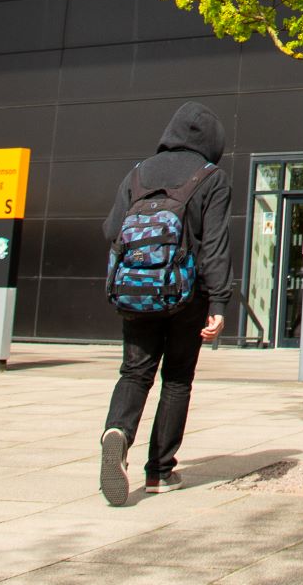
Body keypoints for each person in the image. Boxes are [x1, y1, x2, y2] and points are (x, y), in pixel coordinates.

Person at [100, 100, 234, 505]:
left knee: (135, 372)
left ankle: (118, 433)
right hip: (186, 296)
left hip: (136, 293)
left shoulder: (138, 173)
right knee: (176, 379)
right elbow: (214, 247)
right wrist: (220, 303)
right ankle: (159, 471)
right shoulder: (212, 178)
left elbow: (111, 228)